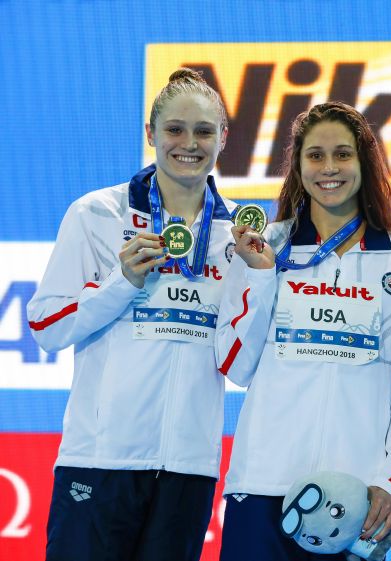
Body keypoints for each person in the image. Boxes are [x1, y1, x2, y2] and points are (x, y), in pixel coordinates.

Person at [215, 101, 391, 561]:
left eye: (343, 154)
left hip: (354, 501)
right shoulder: (266, 247)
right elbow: (236, 365)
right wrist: (259, 275)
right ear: (298, 166)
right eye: (315, 156)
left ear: (365, 162)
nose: (329, 168)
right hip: (262, 485)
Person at [27, 68, 236, 561]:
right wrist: (122, 283)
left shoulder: (237, 239)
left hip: (189, 466)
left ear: (223, 138)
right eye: (175, 129)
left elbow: (239, 353)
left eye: (204, 131)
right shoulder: (97, 214)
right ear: (150, 134)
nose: (189, 143)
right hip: (101, 458)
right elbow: (46, 326)